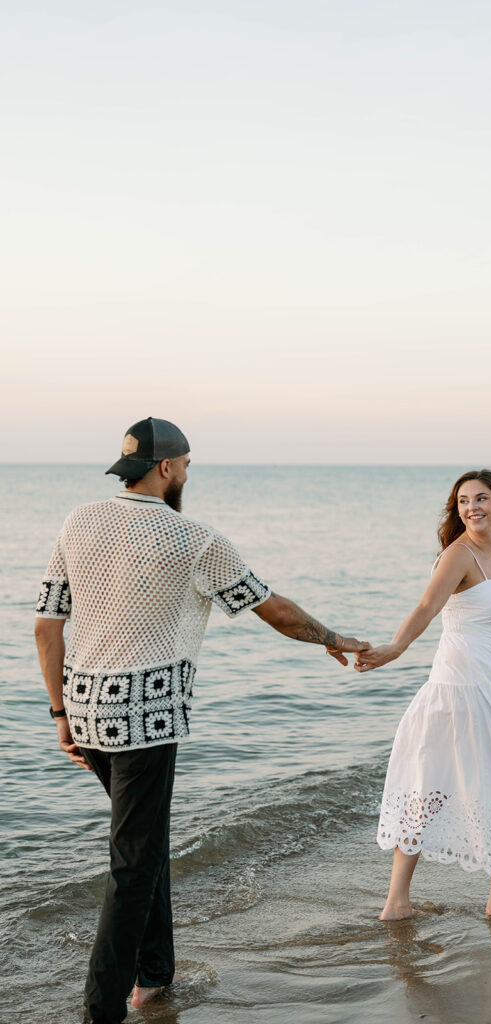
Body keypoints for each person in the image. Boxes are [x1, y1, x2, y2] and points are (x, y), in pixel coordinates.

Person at [34, 417, 368, 1024]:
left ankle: (155, 976)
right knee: (133, 863)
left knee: (144, 839)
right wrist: (333, 637)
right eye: (185, 464)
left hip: (85, 709)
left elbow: (46, 624)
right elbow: (277, 612)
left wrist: (59, 711)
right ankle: (101, 1011)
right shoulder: (195, 540)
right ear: (166, 467)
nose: (186, 473)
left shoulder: (78, 521)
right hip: (146, 716)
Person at [354, 469, 491, 921]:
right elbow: (426, 607)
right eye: (464, 501)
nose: (472, 507)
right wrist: (394, 648)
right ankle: (400, 902)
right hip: (456, 689)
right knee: (433, 789)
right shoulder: (458, 555)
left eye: (481, 498)